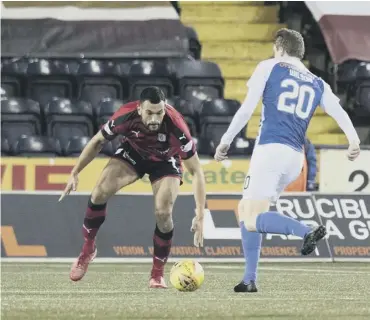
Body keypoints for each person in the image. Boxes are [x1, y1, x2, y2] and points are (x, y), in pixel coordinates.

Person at [214, 28, 360, 293]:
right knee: (253, 213)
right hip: (296, 158)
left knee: (248, 217)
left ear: (280, 47)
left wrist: (225, 140)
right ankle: (249, 280)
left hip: (271, 151)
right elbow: (337, 111)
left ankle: (306, 230)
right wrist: (353, 140)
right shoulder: (317, 81)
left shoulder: (270, 66)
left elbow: (247, 108)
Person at [59, 87, 206, 288]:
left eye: (159, 113)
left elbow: (196, 171)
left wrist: (200, 214)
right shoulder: (125, 116)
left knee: (163, 213)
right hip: (133, 153)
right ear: (139, 109)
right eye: (149, 113)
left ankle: (157, 274)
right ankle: (87, 250)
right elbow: (98, 142)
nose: (155, 119)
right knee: (99, 192)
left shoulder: (177, 127)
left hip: (165, 159)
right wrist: (75, 172)